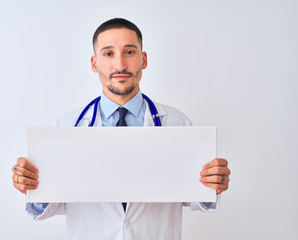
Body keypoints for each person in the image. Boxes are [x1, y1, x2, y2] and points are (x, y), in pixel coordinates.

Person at [12, 18, 231, 240]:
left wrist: (212, 183)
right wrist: (32, 186)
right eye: (108, 54)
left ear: (143, 59)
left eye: (129, 52)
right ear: (94, 63)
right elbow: (52, 203)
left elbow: (194, 196)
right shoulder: (67, 127)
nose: (120, 65)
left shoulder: (177, 123)